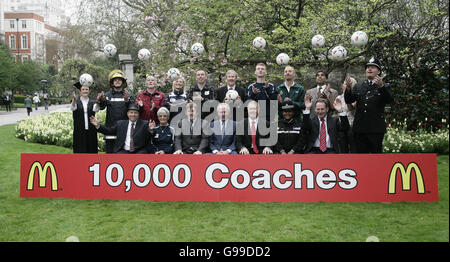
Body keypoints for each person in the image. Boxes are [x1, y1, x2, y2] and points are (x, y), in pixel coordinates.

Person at [344, 57, 393, 153]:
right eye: (367, 67)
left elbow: (389, 100)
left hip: (376, 128)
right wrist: (348, 89)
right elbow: (349, 100)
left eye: (373, 67)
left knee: (376, 157)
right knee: (361, 158)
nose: (369, 69)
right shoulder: (359, 86)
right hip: (360, 128)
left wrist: (381, 87)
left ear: (378, 71)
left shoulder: (385, 86)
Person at [97, 69, 135, 153]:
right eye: (115, 80)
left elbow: (133, 110)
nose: (117, 81)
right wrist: (101, 100)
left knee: (124, 154)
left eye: (119, 79)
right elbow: (102, 107)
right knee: (110, 154)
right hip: (110, 128)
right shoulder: (107, 95)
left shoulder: (128, 95)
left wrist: (127, 101)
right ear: (112, 82)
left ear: (122, 82)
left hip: (125, 129)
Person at [71, 81, 99, 153]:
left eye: (86, 89)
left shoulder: (92, 102)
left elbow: (96, 109)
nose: (85, 91)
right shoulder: (76, 102)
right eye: (83, 89)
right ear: (80, 91)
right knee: (80, 149)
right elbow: (73, 108)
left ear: (89, 91)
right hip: (79, 131)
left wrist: (98, 100)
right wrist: (74, 99)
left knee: (91, 149)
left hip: (91, 130)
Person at [336, 77, 357, 153]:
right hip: (341, 126)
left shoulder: (355, 97)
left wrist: (347, 96)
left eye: (347, 84)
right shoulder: (339, 97)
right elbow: (335, 109)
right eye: (344, 84)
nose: (344, 85)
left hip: (352, 125)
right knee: (343, 148)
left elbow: (351, 108)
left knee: (353, 148)